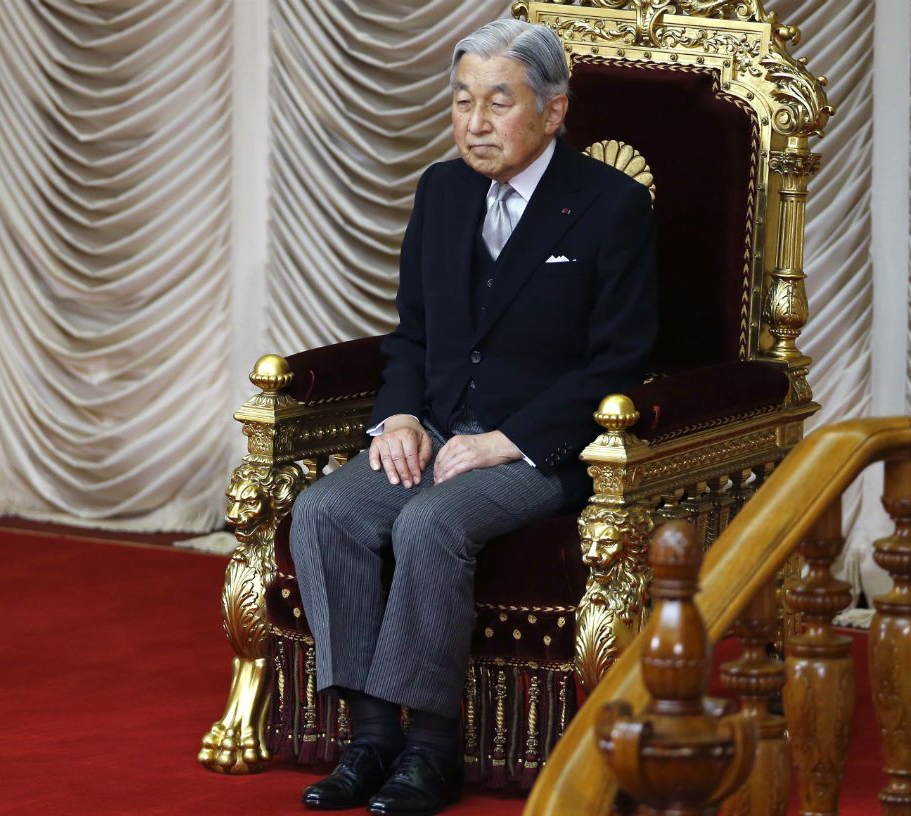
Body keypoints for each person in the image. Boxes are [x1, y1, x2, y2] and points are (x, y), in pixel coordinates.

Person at [288, 18, 656, 815]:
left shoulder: (610, 207)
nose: (475, 123)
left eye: (498, 103)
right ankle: (372, 737)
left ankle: (431, 751)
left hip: (541, 456)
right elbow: (413, 333)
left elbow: (616, 364)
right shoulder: (442, 190)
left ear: (554, 112)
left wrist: (507, 440)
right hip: (439, 430)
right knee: (325, 512)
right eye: (461, 103)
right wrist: (400, 420)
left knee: (430, 524)